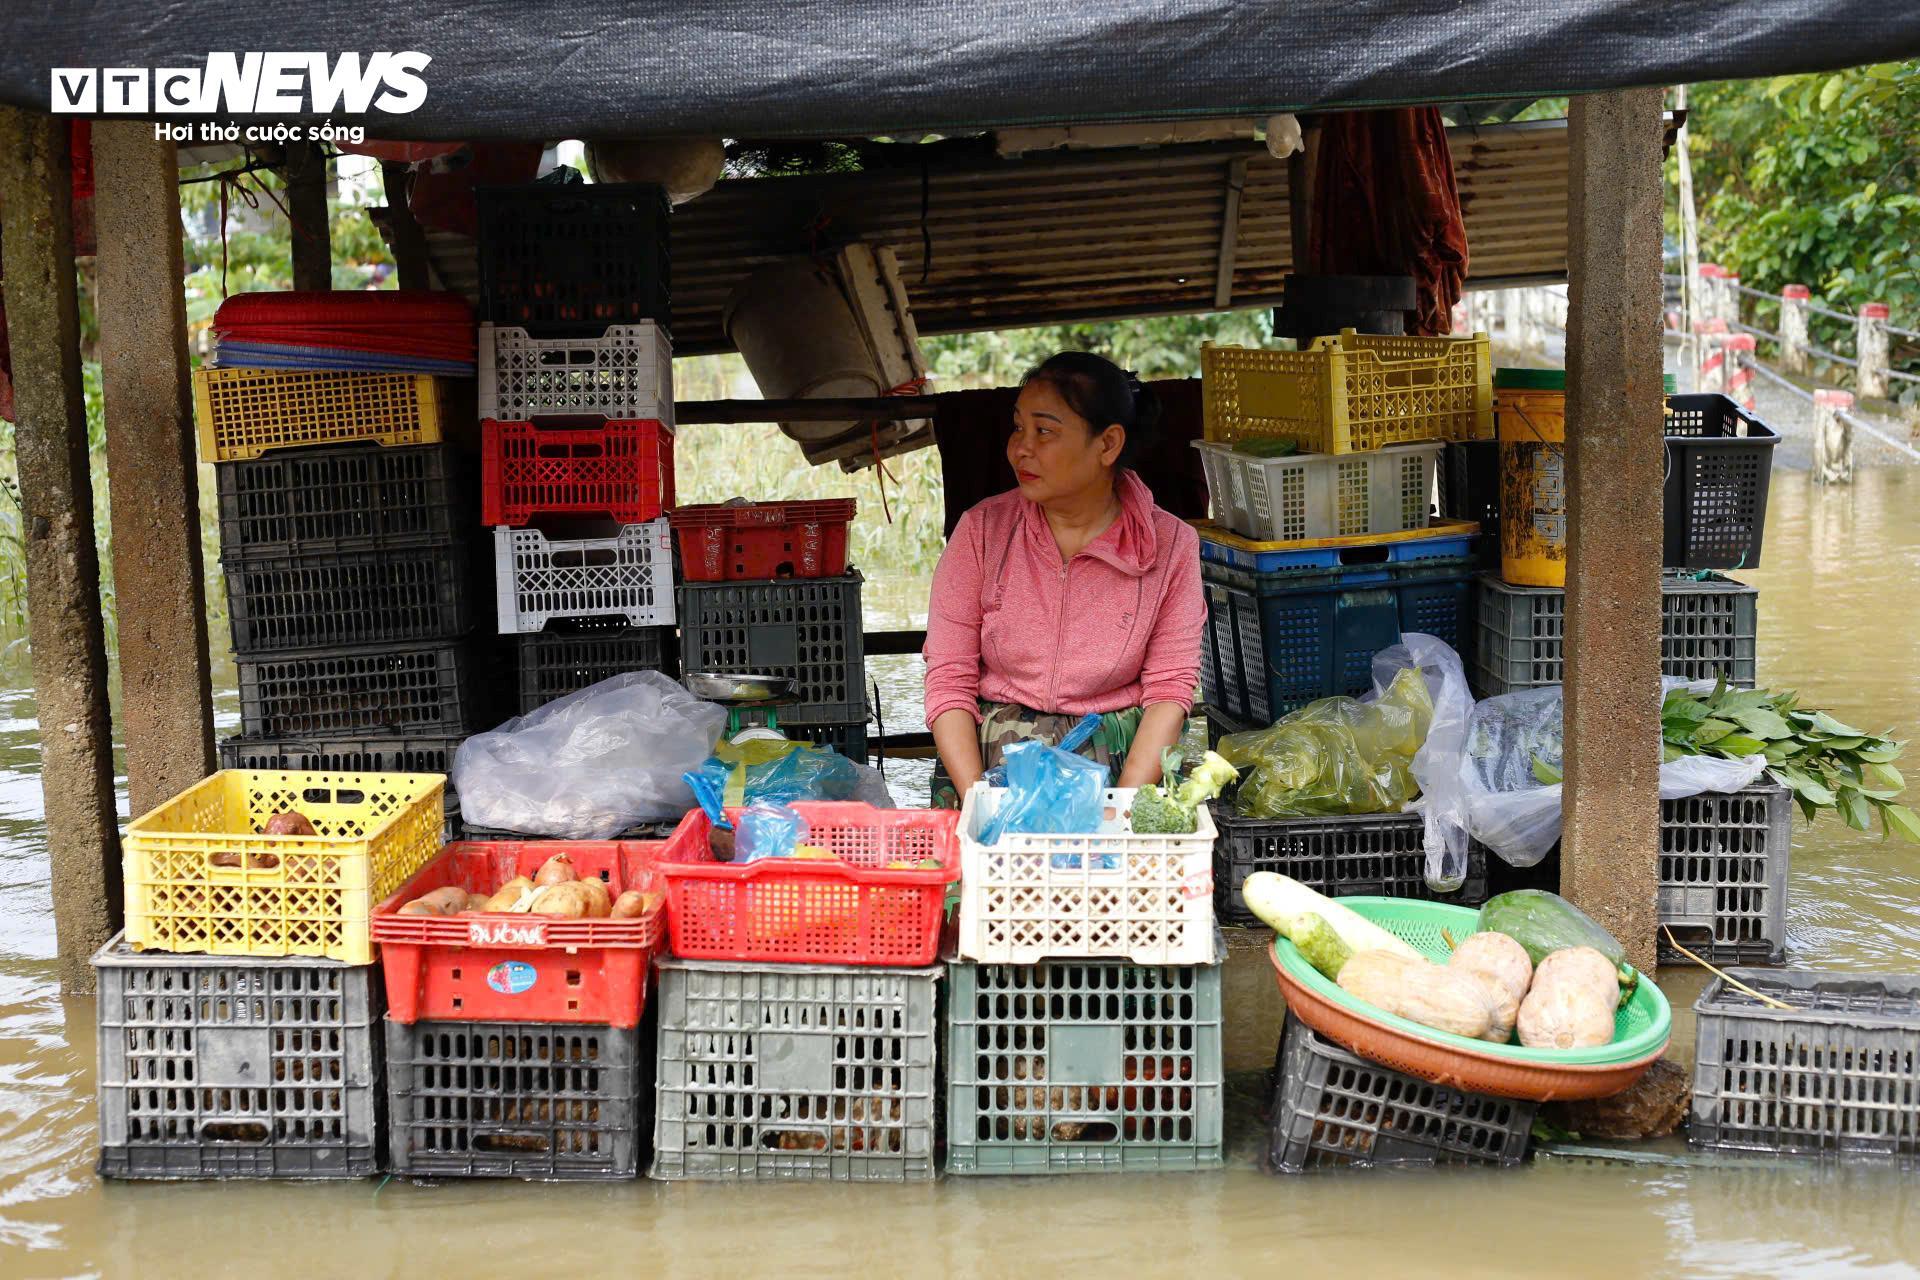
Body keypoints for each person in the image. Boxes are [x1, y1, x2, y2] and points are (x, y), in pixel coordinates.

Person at [922, 351, 1204, 808]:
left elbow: (1170, 691)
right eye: (1018, 427)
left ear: (1108, 444)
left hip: (1121, 757)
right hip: (992, 763)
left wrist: (1121, 810)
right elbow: (949, 679)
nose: (1021, 448)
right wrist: (979, 801)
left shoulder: (1172, 546)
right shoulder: (982, 531)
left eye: (1045, 431)